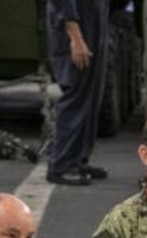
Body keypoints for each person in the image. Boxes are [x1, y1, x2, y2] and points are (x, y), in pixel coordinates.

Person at [46, 0, 111, 186]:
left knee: (90, 98)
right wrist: (75, 37)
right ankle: (62, 165)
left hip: (93, 24)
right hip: (77, 28)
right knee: (76, 97)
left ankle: (78, 160)